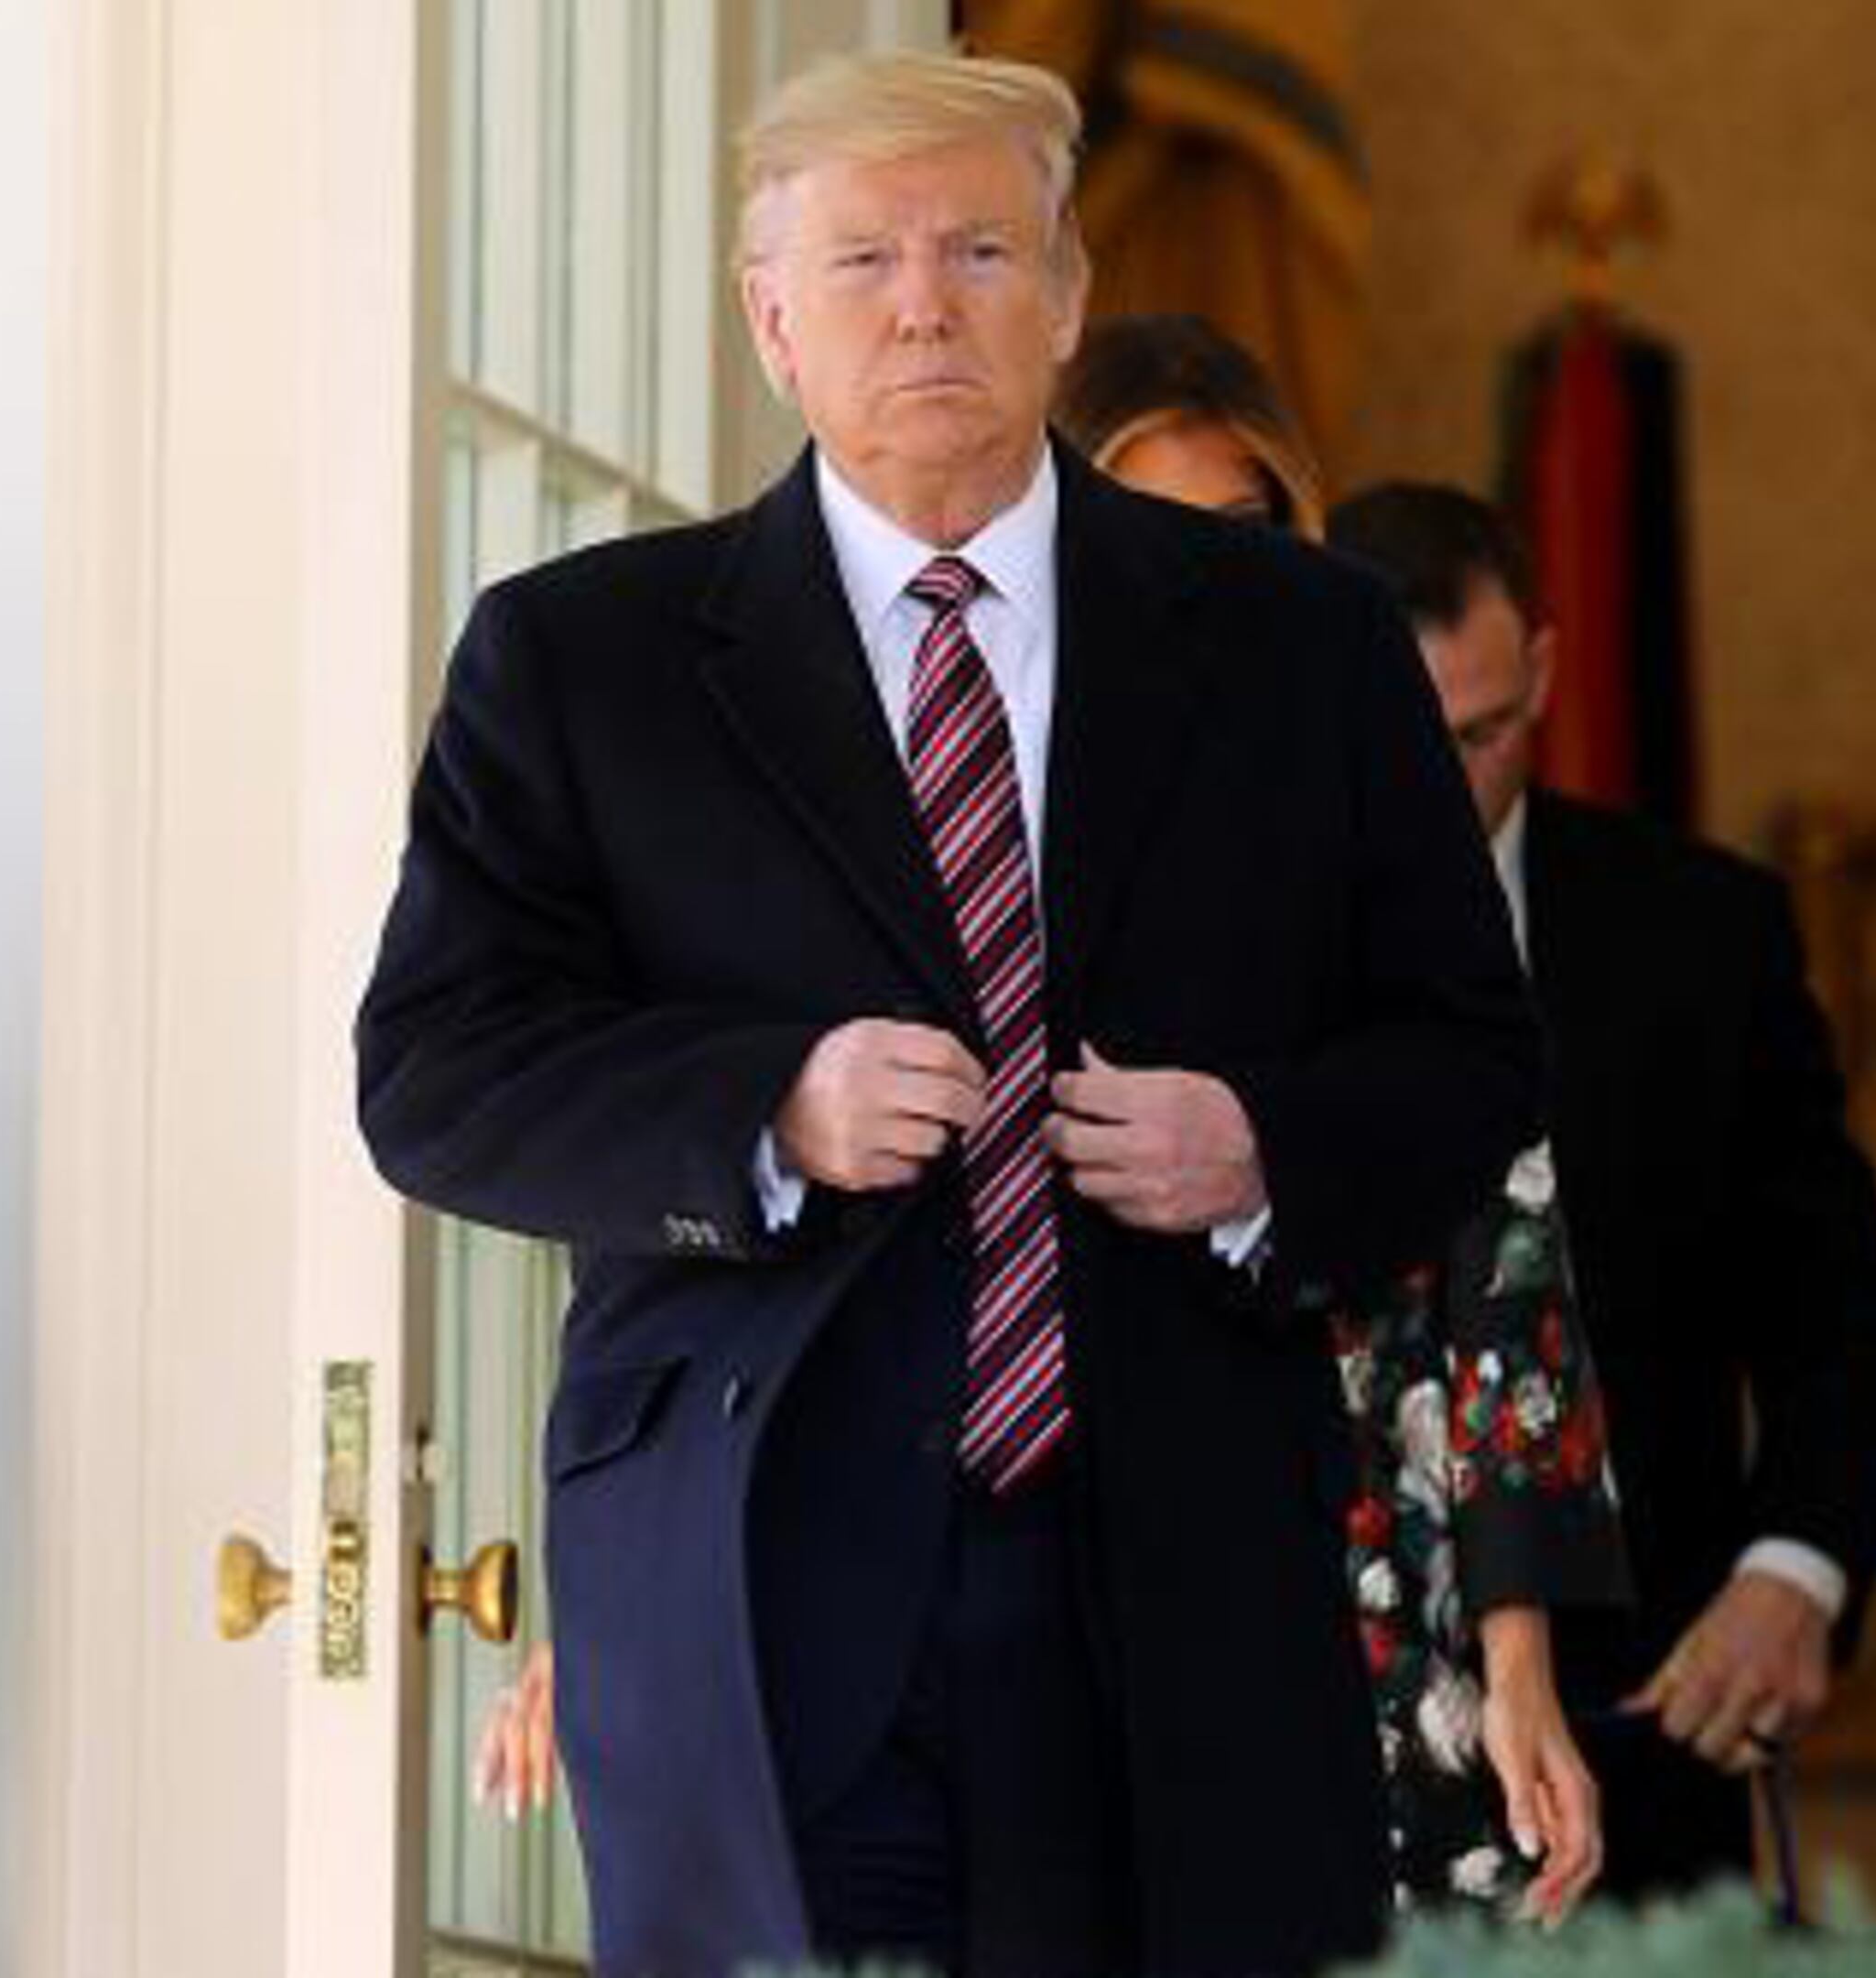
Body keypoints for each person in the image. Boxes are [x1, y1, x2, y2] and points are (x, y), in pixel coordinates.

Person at [357, 53, 1541, 1978]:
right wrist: (769, 1107)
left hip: (1176, 1571)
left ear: (1065, 299)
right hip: (753, 1576)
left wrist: (1260, 1150)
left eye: (981, 247)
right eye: (863, 260)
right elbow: (433, 1078)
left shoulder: (1298, 644)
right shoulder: (584, 659)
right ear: (771, 319)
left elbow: (1472, 1052)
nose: (925, 302)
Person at [1051, 311, 1623, 1922]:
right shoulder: (979, 795)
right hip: (1063, 1539)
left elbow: (1499, 1223)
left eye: (1236, 530)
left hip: (1371, 1545)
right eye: (1141, 521)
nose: (1191, 570)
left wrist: (1519, 1661)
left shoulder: (1368, 807)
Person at [1323, 483, 1876, 1903]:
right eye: (1400, 741)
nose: (1438, 789)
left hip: (1637, 1739)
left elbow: (1844, 1324)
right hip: (1312, 1746)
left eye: (1480, 736)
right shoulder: (1222, 942)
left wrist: (1796, 1576)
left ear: (1541, 668)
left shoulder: (1704, 936)